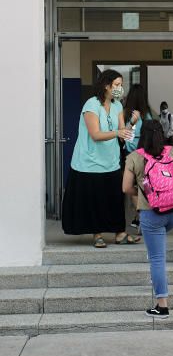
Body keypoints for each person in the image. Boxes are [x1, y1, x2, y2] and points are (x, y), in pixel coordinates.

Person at [62, 68, 140, 248]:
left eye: (121, 85)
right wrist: (118, 132)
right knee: (95, 200)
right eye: (117, 85)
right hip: (89, 162)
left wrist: (132, 124)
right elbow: (96, 134)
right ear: (106, 86)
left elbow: (122, 135)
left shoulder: (118, 106)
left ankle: (120, 233)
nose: (120, 88)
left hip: (111, 161)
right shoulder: (91, 105)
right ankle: (97, 234)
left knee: (114, 198)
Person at [123, 120, 173, 319]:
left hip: (151, 213)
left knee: (157, 259)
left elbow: (126, 187)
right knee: (157, 256)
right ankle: (158, 285)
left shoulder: (134, 157)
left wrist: (143, 196)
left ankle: (162, 305)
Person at [123, 84, 154, 231]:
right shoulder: (146, 114)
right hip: (145, 155)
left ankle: (140, 217)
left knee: (131, 187)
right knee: (144, 187)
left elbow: (123, 137)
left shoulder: (125, 114)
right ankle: (143, 218)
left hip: (129, 156)